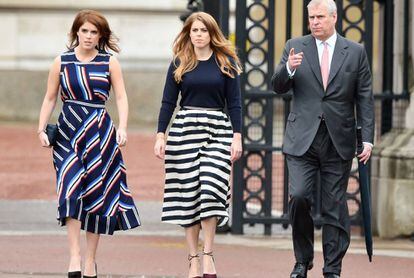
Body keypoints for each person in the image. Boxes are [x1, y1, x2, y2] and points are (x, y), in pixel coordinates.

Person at [271, 0, 375, 277]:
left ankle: (332, 268)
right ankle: (302, 261)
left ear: (333, 18)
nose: (314, 22)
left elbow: (364, 97)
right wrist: (289, 69)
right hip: (301, 139)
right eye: (311, 17)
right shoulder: (295, 46)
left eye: (319, 17)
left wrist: (367, 139)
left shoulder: (355, 52)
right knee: (300, 197)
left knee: (334, 205)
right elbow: (278, 86)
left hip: (337, 139)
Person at [37, 10, 140, 278]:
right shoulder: (61, 61)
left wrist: (123, 127)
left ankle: (90, 260)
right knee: (69, 190)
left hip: (99, 133)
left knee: (96, 195)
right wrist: (41, 128)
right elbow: (50, 98)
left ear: (100, 36)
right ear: (76, 32)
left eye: (94, 32)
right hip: (68, 131)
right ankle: (74, 256)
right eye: (84, 31)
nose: (89, 36)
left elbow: (121, 97)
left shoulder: (109, 62)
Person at [153, 11, 242, 278]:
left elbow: (235, 102)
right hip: (185, 130)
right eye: (194, 30)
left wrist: (237, 135)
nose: (199, 34)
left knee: (213, 189)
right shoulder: (180, 62)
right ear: (188, 33)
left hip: (217, 130)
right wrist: (160, 134)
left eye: (203, 30)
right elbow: (168, 101)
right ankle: (193, 257)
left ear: (211, 33)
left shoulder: (226, 61)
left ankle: (208, 254)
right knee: (188, 195)